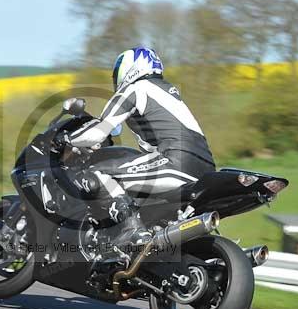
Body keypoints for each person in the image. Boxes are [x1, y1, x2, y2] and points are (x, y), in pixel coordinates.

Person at [67, 46, 216, 247]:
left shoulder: (136, 89)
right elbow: (127, 140)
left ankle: (131, 229)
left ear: (131, 68)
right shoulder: (167, 92)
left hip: (175, 161)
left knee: (96, 172)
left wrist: (67, 140)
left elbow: (99, 130)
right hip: (205, 169)